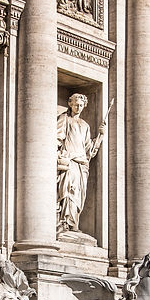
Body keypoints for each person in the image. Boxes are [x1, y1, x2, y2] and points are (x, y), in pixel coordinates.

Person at [57, 93, 105, 234]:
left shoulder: (85, 125)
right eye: (76, 104)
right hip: (70, 160)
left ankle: (73, 222)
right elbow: (57, 138)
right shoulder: (64, 119)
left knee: (78, 194)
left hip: (81, 163)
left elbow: (89, 149)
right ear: (70, 103)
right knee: (68, 191)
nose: (78, 107)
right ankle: (65, 221)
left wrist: (101, 136)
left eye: (81, 105)